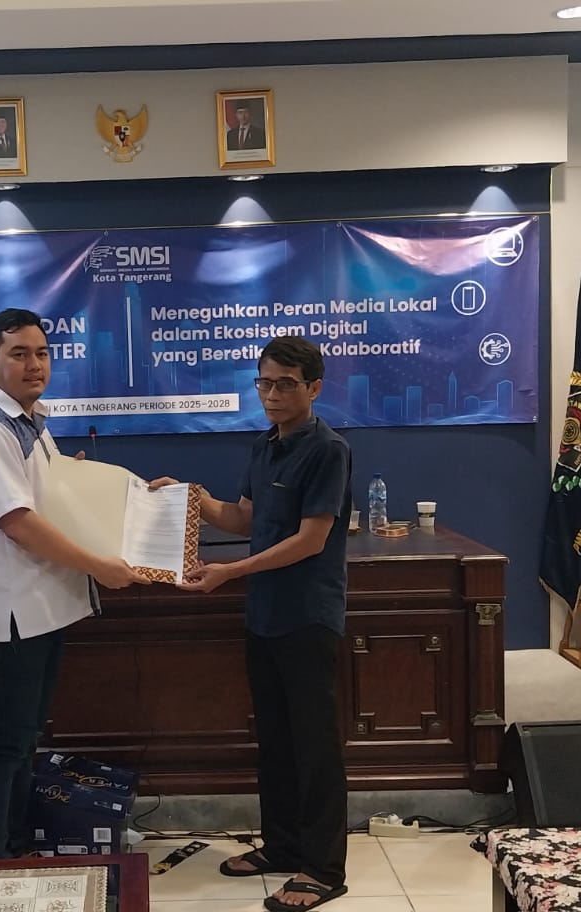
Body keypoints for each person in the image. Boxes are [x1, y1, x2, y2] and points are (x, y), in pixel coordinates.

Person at [151, 336, 352, 912]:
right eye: (264, 382)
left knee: (315, 747)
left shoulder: (328, 450)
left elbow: (310, 540)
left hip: (307, 617)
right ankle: (283, 847)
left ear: (314, 388)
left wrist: (230, 571)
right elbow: (243, 517)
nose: (272, 394)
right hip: (264, 617)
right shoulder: (265, 444)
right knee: (276, 742)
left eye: (286, 384)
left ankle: (323, 869)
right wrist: (189, 496)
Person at [0, 307, 148, 860]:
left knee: (23, 740)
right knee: (3, 745)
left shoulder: (30, 420)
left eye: (41, 353)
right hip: (11, 615)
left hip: (42, 608)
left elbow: (45, 501)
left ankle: (15, 848)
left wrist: (80, 486)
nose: (34, 364)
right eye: (19, 354)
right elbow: (19, 523)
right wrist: (98, 565)